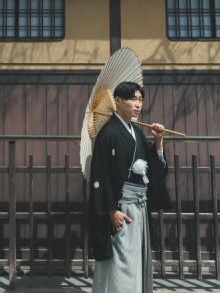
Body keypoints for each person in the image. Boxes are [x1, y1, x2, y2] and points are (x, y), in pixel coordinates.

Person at [89, 81, 170, 293]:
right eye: (133, 99)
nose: (138, 104)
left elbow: (153, 167)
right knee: (120, 262)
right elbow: (100, 175)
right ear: (117, 101)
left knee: (135, 260)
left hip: (139, 206)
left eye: (140, 99)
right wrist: (111, 210)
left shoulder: (137, 132)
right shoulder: (108, 133)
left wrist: (158, 142)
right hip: (120, 207)